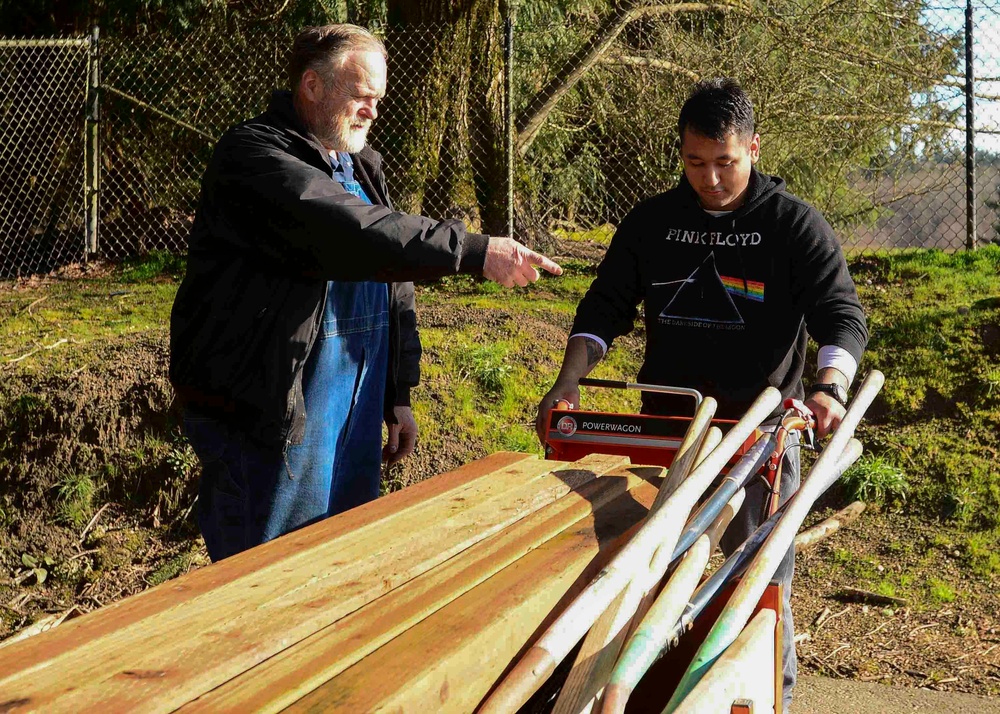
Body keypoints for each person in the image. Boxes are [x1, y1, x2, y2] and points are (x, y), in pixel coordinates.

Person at [170, 24, 561, 563]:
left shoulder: (361, 166)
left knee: (340, 563)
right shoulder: (253, 157)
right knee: (264, 581)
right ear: (312, 86)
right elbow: (352, 232)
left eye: (378, 100)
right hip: (271, 422)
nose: (373, 113)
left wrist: (396, 393)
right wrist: (474, 251)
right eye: (361, 97)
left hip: (351, 418)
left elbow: (392, 285)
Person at [535, 78, 867, 709]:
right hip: (668, 429)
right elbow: (604, 307)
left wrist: (829, 387)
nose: (710, 179)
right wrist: (569, 380)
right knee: (648, 572)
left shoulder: (793, 226)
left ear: (754, 149)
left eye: (726, 163)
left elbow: (841, 315)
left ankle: (767, 698)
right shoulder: (654, 222)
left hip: (760, 432)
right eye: (695, 163)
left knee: (757, 581)